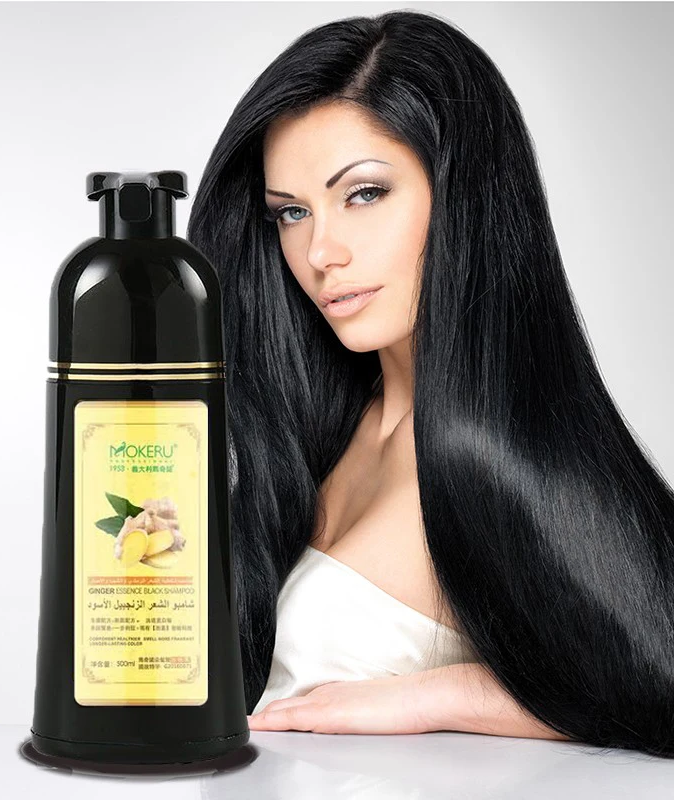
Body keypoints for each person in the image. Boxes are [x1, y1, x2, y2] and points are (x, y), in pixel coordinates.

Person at [186, 9, 674, 758]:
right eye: (291, 213)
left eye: (364, 194)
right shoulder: (320, 428)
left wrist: (441, 694)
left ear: (462, 196)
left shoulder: (492, 453)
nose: (320, 251)